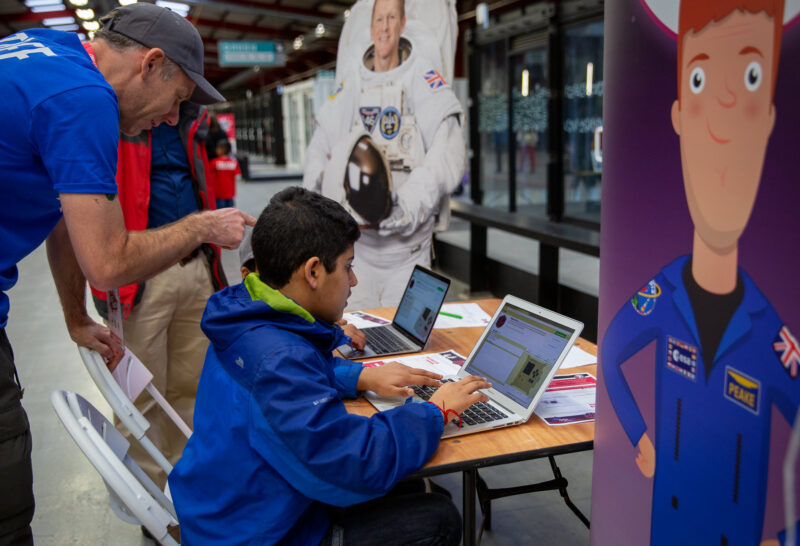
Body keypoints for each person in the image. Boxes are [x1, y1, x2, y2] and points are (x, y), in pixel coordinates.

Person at [0, 3, 253, 542]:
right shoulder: (85, 98)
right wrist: (201, 225)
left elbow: (66, 218)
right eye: (177, 98)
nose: (172, 118)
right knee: (6, 498)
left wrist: (74, 315)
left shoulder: (52, 52)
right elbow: (108, 261)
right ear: (151, 63)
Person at [169, 187, 490, 545]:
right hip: (260, 534)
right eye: (348, 266)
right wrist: (435, 413)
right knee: (440, 518)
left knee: (409, 484)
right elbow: (353, 464)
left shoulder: (248, 313)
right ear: (313, 271)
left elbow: (279, 386)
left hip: (229, 509)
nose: (353, 281)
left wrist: (360, 375)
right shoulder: (279, 360)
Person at [601, 1, 799, 544]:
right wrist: (640, 437)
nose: (722, 114)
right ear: (681, 116)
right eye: (701, 79)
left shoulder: (771, 336)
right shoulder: (662, 293)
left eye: (750, 77)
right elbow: (611, 353)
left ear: (768, 120)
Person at [80, 101, 228, 489]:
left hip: (195, 267)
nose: (174, 108)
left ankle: (188, 490)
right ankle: (146, 499)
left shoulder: (191, 119)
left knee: (193, 389)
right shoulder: (108, 119)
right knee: (139, 398)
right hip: (139, 279)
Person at [303, 0, 465, 309]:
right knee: (355, 332)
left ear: (403, 24)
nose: (385, 27)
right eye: (379, 19)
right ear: (370, 26)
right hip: (355, 255)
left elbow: (446, 155)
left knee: (407, 334)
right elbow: (320, 146)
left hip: (408, 253)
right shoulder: (352, 82)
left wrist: (402, 206)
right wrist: (318, 198)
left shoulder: (423, 76)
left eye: (392, 18)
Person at [210, 139, 242, 209]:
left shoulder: (214, 163)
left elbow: (209, 176)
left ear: (222, 149)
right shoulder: (233, 162)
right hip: (230, 193)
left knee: (220, 212)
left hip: (219, 193)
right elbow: (238, 175)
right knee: (230, 210)